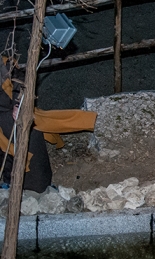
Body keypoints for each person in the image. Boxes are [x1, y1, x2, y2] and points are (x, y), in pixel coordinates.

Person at [0, 57, 97, 192]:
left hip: (13, 115)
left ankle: (38, 187)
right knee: (6, 153)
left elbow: (20, 81)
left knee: (31, 139)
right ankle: (9, 183)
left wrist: (19, 104)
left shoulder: (4, 63)